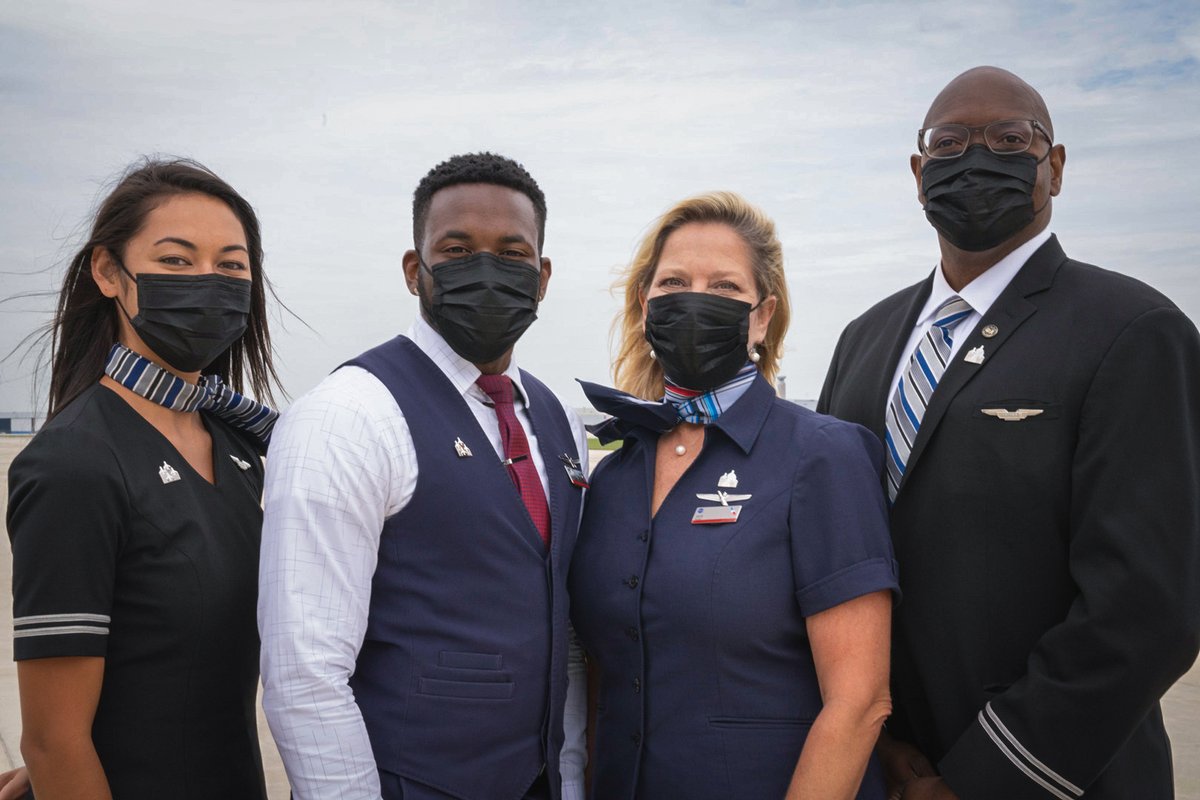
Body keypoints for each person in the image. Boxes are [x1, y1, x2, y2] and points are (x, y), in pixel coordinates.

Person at [818, 66, 1200, 800]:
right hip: (884, 765)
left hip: (1051, 774)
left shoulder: (1133, 330)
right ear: (918, 173)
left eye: (1009, 139)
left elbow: (1146, 610)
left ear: (1055, 166)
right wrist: (875, 743)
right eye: (949, 143)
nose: (975, 159)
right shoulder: (863, 339)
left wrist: (982, 780)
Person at [258, 152, 589, 800]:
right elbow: (304, 675)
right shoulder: (348, 415)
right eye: (458, 250)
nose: (487, 270)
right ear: (416, 270)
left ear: (543, 276)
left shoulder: (558, 422)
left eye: (512, 254)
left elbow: (566, 635)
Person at [571, 191, 898, 800]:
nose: (695, 300)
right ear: (645, 306)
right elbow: (602, 676)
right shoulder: (614, 476)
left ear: (762, 316)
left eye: (724, 287)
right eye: (674, 283)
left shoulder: (822, 456)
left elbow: (860, 702)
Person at [5, 158, 281, 799]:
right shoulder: (74, 464)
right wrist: (52, 772)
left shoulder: (239, 444)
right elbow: (53, 741)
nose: (208, 282)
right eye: (176, 261)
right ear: (109, 272)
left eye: (231, 266)